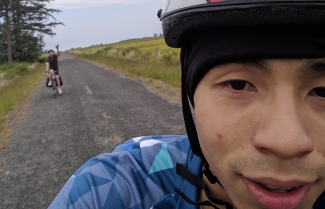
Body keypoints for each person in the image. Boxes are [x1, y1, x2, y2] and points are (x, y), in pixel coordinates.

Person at [49, 1, 325, 208]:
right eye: (238, 85)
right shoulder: (115, 188)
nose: (287, 142)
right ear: (192, 97)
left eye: (322, 91)